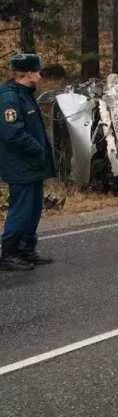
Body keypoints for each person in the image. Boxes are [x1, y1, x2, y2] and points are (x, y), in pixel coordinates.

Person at [0, 53, 56, 271]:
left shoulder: (25, 94)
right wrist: (37, 149)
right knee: (21, 209)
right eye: (38, 71)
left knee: (33, 209)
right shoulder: (8, 97)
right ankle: (9, 253)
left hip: (32, 164)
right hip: (20, 164)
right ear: (29, 73)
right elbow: (12, 133)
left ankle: (26, 248)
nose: (40, 75)